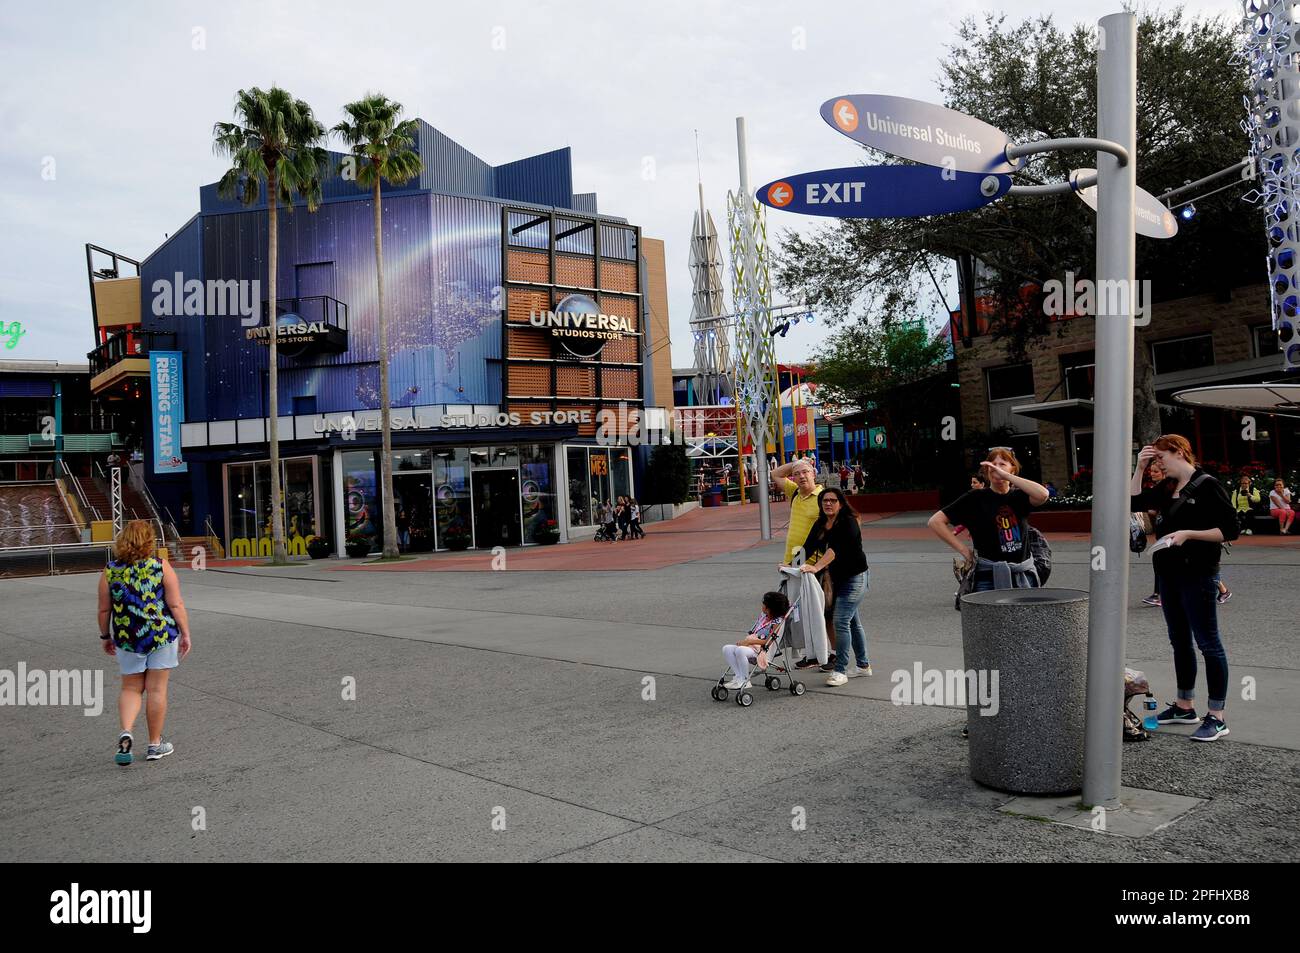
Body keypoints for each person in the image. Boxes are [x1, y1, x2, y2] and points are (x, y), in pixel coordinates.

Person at [1131, 434, 1238, 742]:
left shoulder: (1207, 485)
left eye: (1160, 458)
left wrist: (1188, 533)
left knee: (1208, 643)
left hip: (1198, 574)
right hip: (1169, 575)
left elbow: (1231, 529)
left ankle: (1217, 716)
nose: (1158, 465)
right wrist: (1138, 468)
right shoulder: (1167, 488)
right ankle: (1184, 705)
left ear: (1178, 452)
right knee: (1179, 641)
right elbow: (1134, 501)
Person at [97, 520, 192, 766]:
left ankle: (126, 732)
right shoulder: (160, 566)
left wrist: (106, 636)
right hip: (160, 635)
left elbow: (104, 609)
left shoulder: (110, 570)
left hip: (128, 638)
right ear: (149, 542)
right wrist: (185, 633)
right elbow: (175, 604)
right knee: (157, 690)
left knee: (130, 688)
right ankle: (154, 744)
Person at [927, 448, 1050, 591]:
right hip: (987, 577)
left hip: (1023, 574)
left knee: (1025, 613)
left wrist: (1005, 476)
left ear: (1013, 469)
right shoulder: (975, 498)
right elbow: (935, 522)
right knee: (989, 613)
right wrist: (965, 551)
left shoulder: (1020, 497)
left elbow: (1043, 495)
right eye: (991, 464)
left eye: (1002, 464)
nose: (995, 468)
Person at [795, 487, 871, 686]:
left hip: (855, 578)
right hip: (836, 578)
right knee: (853, 622)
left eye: (832, 500)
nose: (828, 504)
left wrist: (816, 567)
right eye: (824, 500)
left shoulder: (849, 522)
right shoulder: (821, 523)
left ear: (841, 503)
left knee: (840, 621)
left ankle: (840, 670)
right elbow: (807, 547)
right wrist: (790, 566)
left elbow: (835, 550)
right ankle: (863, 666)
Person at [770, 458, 830, 670]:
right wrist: (797, 462)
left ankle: (827, 654)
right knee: (800, 611)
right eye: (798, 474)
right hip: (794, 559)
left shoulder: (824, 498)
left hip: (814, 561)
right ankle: (813, 653)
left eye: (806, 472)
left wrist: (814, 561)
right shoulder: (795, 492)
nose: (802, 476)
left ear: (814, 474)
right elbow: (775, 474)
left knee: (818, 610)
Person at [721, 590, 790, 690]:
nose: (762, 606)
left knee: (739, 650)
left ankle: (745, 680)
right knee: (726, 648)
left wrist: (749, 642)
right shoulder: (764, 617)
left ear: (769, 609)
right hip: (752, 647)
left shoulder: (777, 622)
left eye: (764, 604)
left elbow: (769, 641)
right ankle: (738, 676)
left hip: (763, 650)